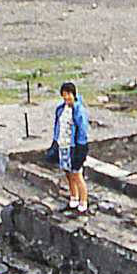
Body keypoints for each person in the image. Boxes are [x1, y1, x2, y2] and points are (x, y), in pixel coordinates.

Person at [49, 81, 91, 214]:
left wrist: (81, 147)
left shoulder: (79, 110)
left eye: (68, 94)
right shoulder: (61, 109)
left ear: (74, 94)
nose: (66, 97)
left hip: (74, 146)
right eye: (64, 95)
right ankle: (73, 198)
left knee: (77, 174)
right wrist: (55, 142)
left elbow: (83, 129)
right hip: (63, 144)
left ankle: (83, 202)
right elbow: (57, 126)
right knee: (68, 173)